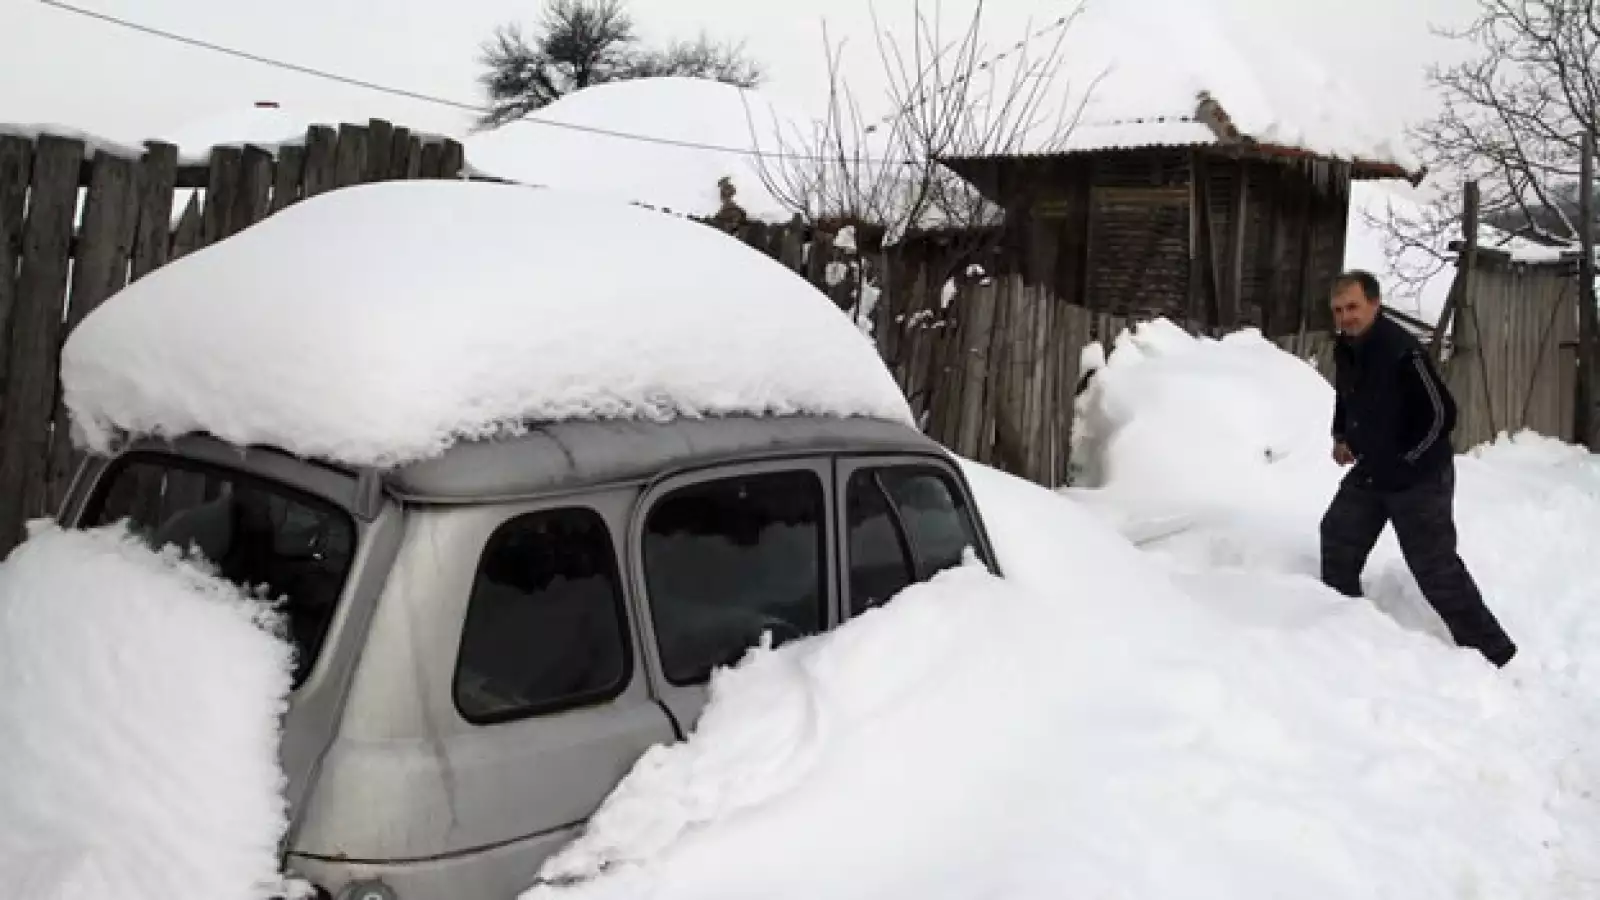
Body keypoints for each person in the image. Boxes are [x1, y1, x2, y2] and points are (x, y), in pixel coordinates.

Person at [1321, 270, 1517, 668]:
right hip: (1374, 469)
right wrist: (1343, 435)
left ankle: (1494, 653)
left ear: (1375, 304)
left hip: (1419, 477)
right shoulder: (1346, 347)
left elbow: (1443, 413)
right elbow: (1349, 397)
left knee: (1435, 569)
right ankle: (1340, 628)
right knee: (1338, 534)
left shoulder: (1401, 351)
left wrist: (1408, 459)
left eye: (1353, 307)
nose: (1346, 317)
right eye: (1339, 310)